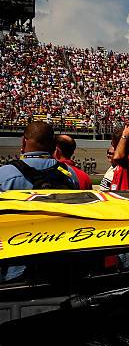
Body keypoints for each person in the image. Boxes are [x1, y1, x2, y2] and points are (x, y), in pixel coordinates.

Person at [0, 121, 78, 282]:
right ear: (54, 145)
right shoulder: (69, 174)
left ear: (24, 141)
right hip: (58, 261)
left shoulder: (4, 174)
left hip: (14, 264)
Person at [111, 125, 129, 190]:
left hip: (126, 197)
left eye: (115, 143)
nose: (113, 145)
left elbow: (118, 157)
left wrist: (124, 136)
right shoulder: (125, 159)